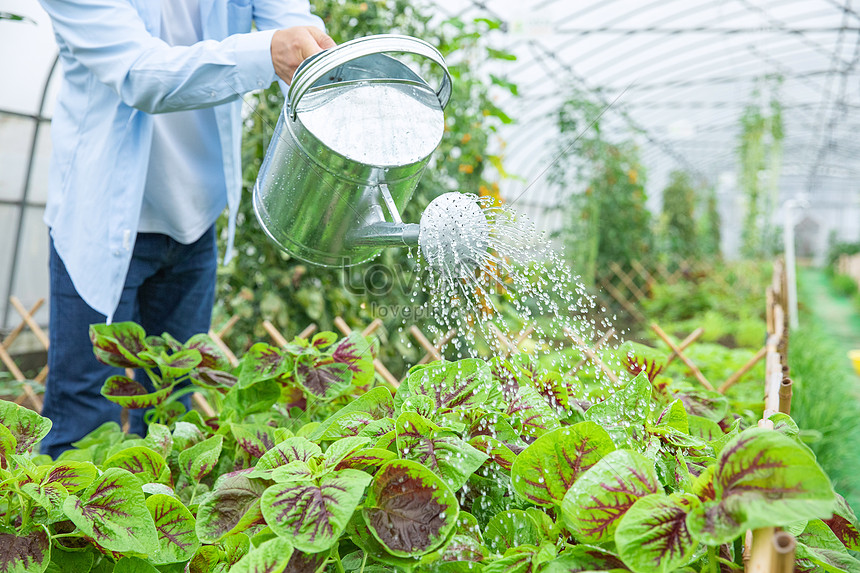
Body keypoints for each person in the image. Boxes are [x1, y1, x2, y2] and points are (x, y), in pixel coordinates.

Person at [36, 0, 335, 458]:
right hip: (100, 225)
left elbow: (293, 23)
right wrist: (268, 52)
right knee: (84, 423)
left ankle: (155, 529)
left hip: (194, 221)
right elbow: (140, 74)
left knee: (171, 422)